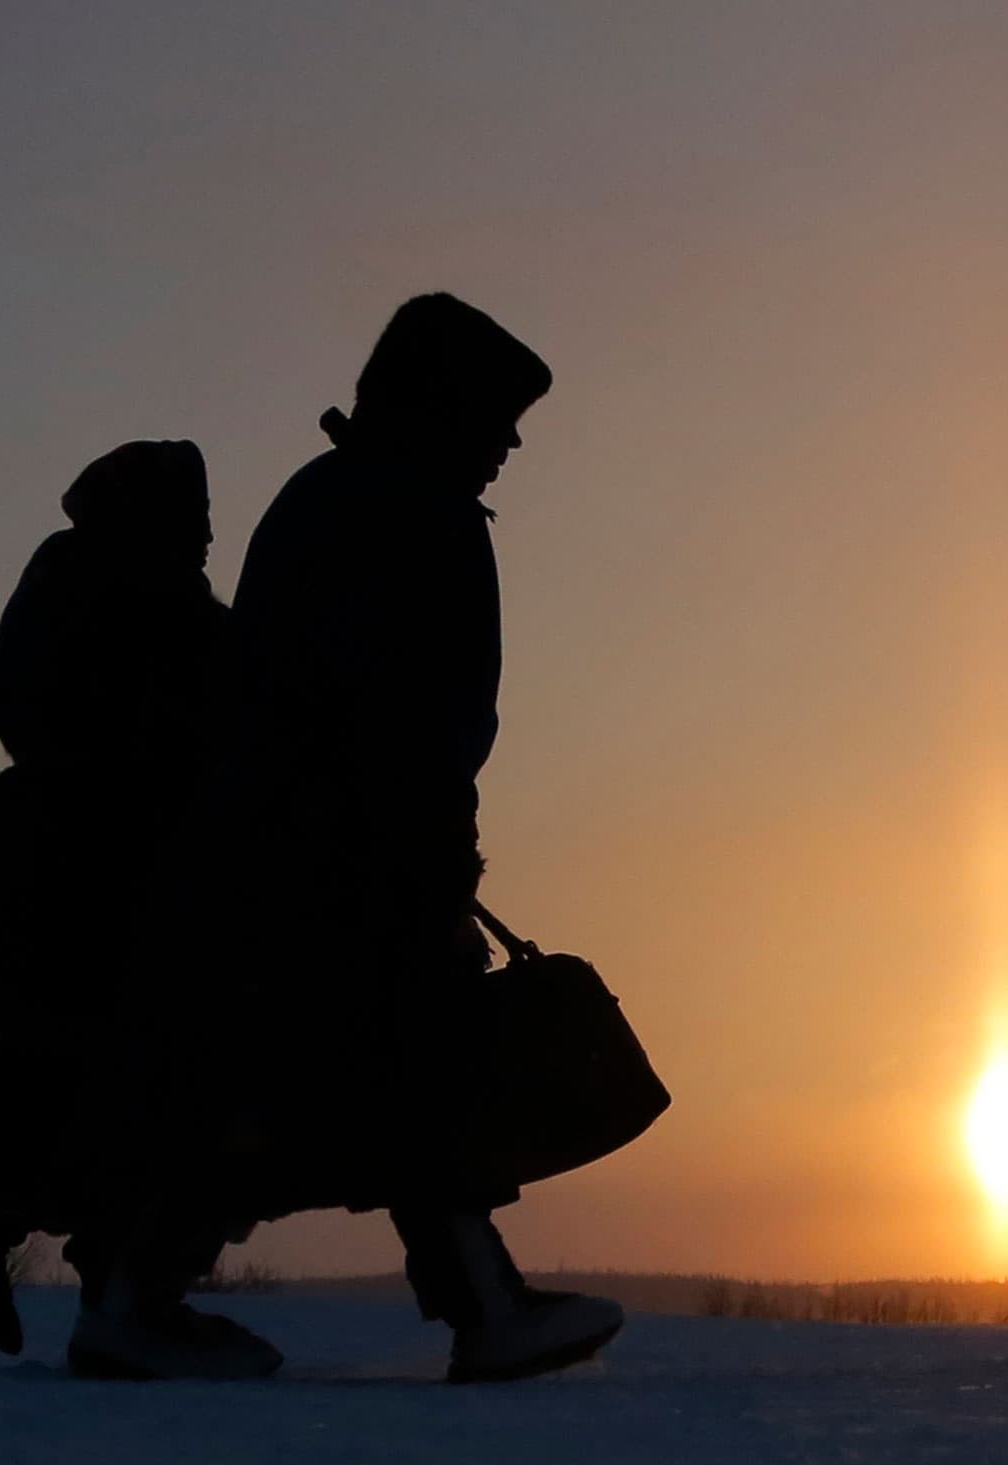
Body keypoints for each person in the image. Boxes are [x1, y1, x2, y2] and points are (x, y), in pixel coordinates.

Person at [117, 293, 624, 1383]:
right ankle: (477, 1306)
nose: (512, 442)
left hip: (307, 852)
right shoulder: (403, 510)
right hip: (346, 861)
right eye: (497, 415)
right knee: (383, 1078)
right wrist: (416, 854)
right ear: (441, 406)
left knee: (316, 1088)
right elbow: (394, 715)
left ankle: (141, 1298)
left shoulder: (335, 497)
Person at [0, 440, 233, 1361]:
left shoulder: (116, 587)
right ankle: (100, 1283)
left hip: (71, 854)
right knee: (85, 1067)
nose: (205, 536)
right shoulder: (137, 595)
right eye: (193, 519)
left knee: (68, 1073)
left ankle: (100, 1277)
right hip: (101, 867)